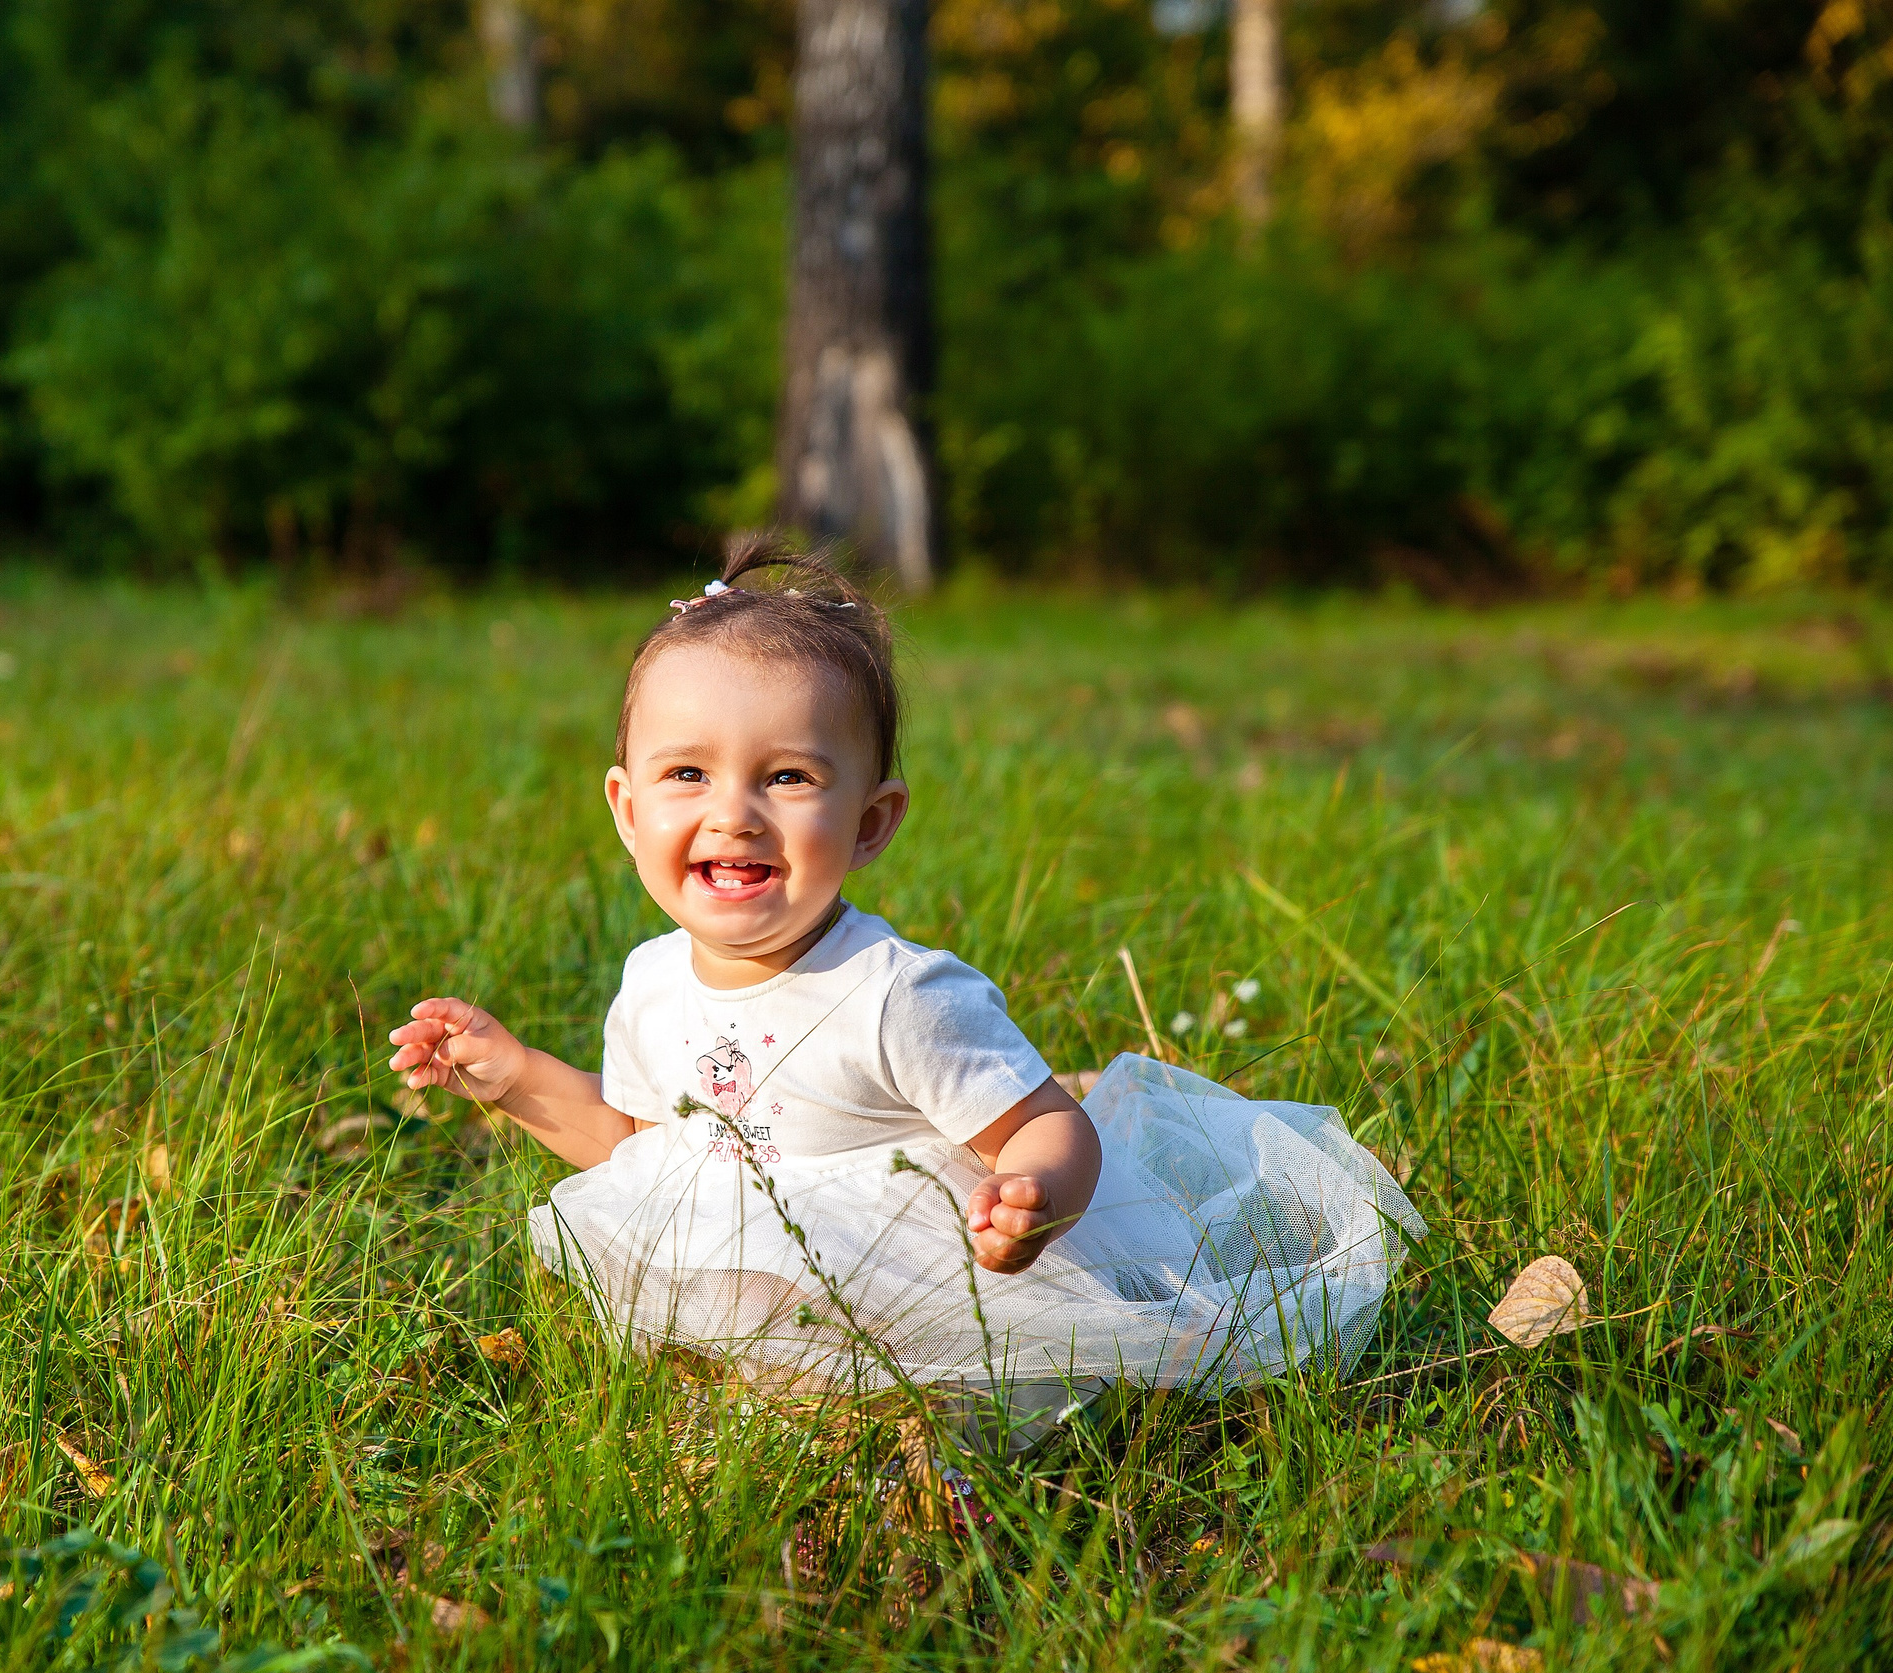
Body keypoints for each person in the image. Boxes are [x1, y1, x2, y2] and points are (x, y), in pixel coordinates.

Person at [387, 538, 1423, 1447]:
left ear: (872, 822)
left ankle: (911, 1438)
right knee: (730, 1402)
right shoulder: (652, 981)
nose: (735, 814)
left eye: (787, 778)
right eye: (687, 775)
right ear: (624, 806)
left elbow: (1053, 1130)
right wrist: (514, 1078)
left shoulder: (898, 995)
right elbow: (641, 1149)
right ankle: (767, 1408)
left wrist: (1033, 1203)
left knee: (912, 1415)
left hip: (915, 1287)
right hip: (766, 1288)